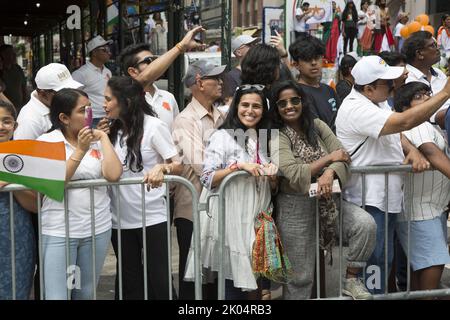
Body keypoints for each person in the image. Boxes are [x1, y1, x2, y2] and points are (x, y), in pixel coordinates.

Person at [335, 55, 450, 294]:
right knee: (374, 269)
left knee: (384, 263)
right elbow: (403, 122)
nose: (393, 87)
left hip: (387, 199)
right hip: (369, 200)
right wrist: (444, 94)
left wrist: (410, 150)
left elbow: (395, 133)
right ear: (368, 88)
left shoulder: (376, 102)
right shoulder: (357, 108)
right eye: (387, 84)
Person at [269, 80, 376, 300]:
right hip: (295, 208)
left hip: (329, 202)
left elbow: (344, 158)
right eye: (283, 103)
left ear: (302, 102)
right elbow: (296, 174)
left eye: (295, 100)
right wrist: (329, 159)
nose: (290, 106)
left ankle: (351, 278)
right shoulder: (277, 135)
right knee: (301, 278)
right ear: (277, 108)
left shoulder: (317, 125)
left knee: (365, 225)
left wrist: (329, 173)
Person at [184, 84, 281, 299]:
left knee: (255, 284)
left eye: (256, 106)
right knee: (232, 282)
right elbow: (207, 178)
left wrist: (272, 176)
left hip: (257, 219)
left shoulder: (263, 137)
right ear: (235, 107)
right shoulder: (222, 136)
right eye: (245, 104)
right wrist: (239, 167)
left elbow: (271, 186)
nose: (250, 110)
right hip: (230, 219)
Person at [37, 88, 122, 299]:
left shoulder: (96, 139)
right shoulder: (47, 141)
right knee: (58, 294)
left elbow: (113, 174)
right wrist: (81, 150)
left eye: (90, 109)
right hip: (60, 230)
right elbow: (56, 180)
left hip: (97, 227)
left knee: (85, 292)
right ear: (64, 118)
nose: (89, 115)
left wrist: (102, 138)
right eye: (83, 111)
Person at [104, 76, 183, 300]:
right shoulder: (111, 131)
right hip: (118, 220)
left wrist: (161, 168)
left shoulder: (154, 126)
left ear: (126, 101)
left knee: (159, 281)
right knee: (129, 282)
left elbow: (177, 164)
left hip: (152, 217)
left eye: (108, 99)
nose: (104, 104)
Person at [171, 60, 226, 299]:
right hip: (192, 209)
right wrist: (236, 165)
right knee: (192, 276)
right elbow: (204, 167)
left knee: (214, 275)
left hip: (216, 206)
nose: (221, 82)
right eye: (216, 78)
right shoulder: (186, 120)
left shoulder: (221, 116)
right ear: (200, 83)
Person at [393, 81, 450, 294]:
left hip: (429, 210)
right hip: (421, 212)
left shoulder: (429, 125)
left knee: (422, 275)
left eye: (428, 93)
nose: (426, 98)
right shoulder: (417, 125)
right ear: (405, 108)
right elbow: (431, 152)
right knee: (431, 272)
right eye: (419, 96)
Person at [0, 100, 37, 300]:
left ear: (15, 126)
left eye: (6, 121)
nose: (1, 127)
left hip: (17, 236)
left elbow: (35, 205)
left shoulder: (25, 157)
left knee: (17, 289)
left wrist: (11, 180)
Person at [402, 31, 450, 144]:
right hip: (428, 139)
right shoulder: (406, 77)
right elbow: (427, 116)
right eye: (432, 46)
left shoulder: (439, 73)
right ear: (419, 54)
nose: (437, 49)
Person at [15, 63, 83, 140]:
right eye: (62, 92)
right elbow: (23, 151)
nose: (70, 95)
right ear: (43, 94)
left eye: (72, 90)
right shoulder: (29, 120)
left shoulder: (57, 105)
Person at [119, 43, 179, 130]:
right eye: (148, 61)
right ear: (133, 71)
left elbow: (176, 131)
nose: (155, 64)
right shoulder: (125, 100)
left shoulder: (168, 97)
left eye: (155, 60)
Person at [289, 35, 340, 132]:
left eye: (317, 57)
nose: (313, 63)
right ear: (296, 64)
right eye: (307, 59)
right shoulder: (297, 93)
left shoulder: (329, 90)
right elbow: (316, 130)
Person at [72, 35, 113, 127]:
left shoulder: (108, 71)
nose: (109, 52)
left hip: (109, 116)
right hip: (91, 119)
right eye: (104, 49)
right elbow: (73, 98)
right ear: (94, 52)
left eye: (108, 49)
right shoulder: (80, 74)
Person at [222, 35, 260, 100]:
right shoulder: (231, 77)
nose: (255, 48)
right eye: (250, 45)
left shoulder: (259, 71)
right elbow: (230, 103)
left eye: (255, 44)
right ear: (239, 52)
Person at [0, 45, 27, 111]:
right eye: (10, 53)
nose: (14, 55)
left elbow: (23, 87)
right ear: (3, 55)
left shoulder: (18, 68)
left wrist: (26, 102)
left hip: (20, 107)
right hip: (5, 109)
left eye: (13, 53)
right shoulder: (1, 71)